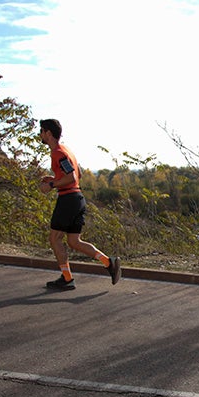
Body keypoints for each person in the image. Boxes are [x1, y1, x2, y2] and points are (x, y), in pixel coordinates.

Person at [38, 119, 121, 291]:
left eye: (42, 131)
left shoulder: (58, 153)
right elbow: (78, 174)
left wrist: (51, 185)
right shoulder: (66, 150)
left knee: (55, 239)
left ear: (48, 133)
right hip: (77, 199)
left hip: (68, 200)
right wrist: (54, 179)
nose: (40, 134)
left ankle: (67, 279)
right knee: (74, 241)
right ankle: (108, 262)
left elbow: (72, 177)